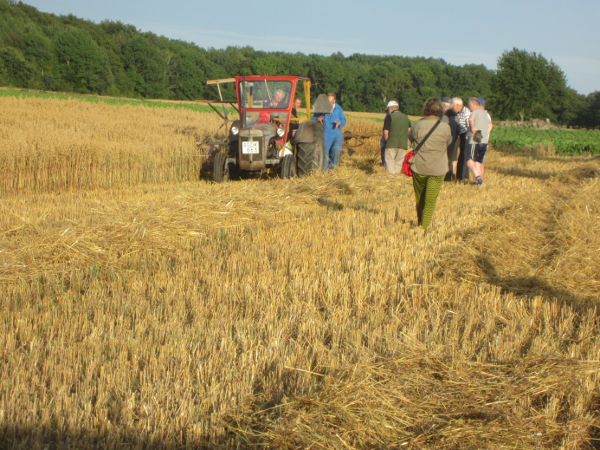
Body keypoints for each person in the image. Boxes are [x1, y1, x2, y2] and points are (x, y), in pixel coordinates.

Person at [408, 98, 452, 230]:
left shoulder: (417, 125)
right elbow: (448, 143)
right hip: (438, 169)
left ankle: (420, 221)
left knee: (419, 198)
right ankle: (424, 226)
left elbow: (411, 139)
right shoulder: (445, 127)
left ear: (425, 109)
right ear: (440, 110)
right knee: (430, 200)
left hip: (419, 166)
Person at [312, 92, 346, 171]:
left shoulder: (338, 109)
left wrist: (339, 123)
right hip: (326, 134)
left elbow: (343, 120)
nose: (329, 104)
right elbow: (313, 120)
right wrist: (318, 119)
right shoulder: (321, 109)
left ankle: (333, 167)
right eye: (327, 102)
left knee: (337, 149)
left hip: (336, 133)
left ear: (334, 101)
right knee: (325, 154)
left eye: (331, 102)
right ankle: (325, 171)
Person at [466, 97, 493, 186]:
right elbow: (490, 126)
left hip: (477, 136)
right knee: (478, 161)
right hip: (484, 138)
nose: (469, 107)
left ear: (473, 104)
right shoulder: (486, 114)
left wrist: (473, 127)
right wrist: (485, 134)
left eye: (469, 105)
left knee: (469, 161)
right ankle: (478, 182)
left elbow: (471, 119)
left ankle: (478, 179)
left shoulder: (475, 111)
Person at [383, 100, 410, 174]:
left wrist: (386, 141)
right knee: (399, 162)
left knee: (390, 160)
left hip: (391, 144)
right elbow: (409, 130)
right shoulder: (406, 117)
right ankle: (396, 175)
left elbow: (386, 131)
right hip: (403, 144)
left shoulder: (390, 116)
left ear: (391, 108)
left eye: (388, 109)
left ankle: (391, 177)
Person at [441, 97, 460, 180]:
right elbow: (458, 128)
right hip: (455, 139)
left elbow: (442, 128)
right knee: (452, 157)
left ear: (444, 104)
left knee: (445, 157)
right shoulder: (455, 115)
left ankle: (446, 175)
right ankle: (451, 173)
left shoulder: (444, 115)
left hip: (446, 139)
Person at [452, 97, 471, 181]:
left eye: (453, 105)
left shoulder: (466, 112)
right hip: (457, 135)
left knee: (463, 155)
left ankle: (462, 176)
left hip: (465, 135)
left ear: (457, 105)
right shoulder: (456, 112)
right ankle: (454, 174)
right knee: (454, 154)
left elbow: (469, 126)